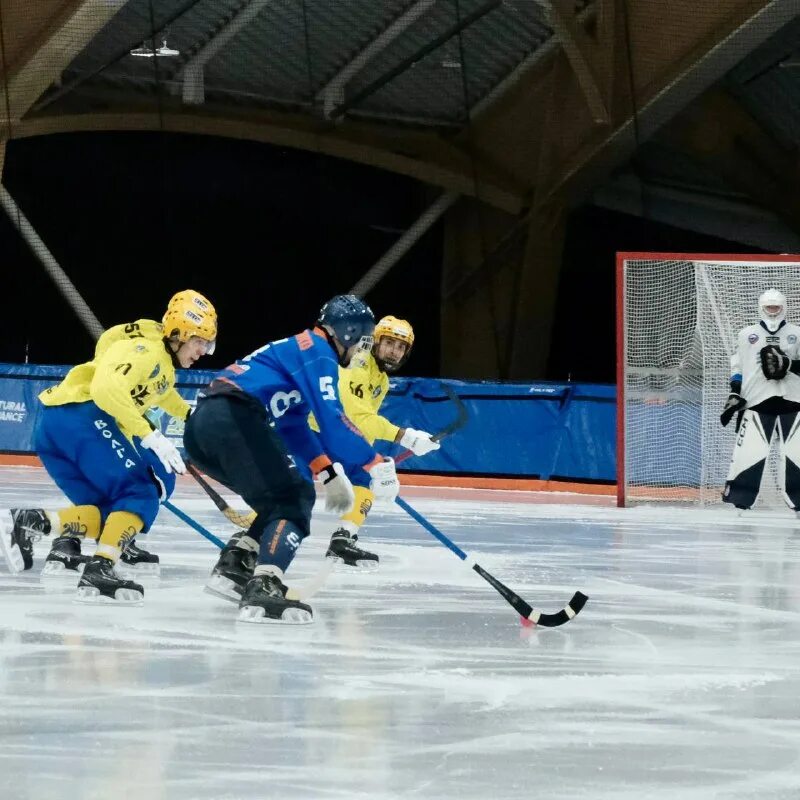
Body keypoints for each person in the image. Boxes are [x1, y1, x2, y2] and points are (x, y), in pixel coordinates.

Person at [183, 294, 400, 625]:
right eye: (362, 340)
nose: (361, 349)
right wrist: (375, 462)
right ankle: (265, 583)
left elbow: (293, 423)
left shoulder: (300, 348)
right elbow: (331, 417)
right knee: (294, 498)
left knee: (281, 497)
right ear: (348, 332)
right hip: (235, 416)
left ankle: (236, 566)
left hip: (205, 427)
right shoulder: (318, 353)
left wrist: (326, 472)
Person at [0, 290, 218, 605]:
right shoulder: (146, 350)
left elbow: (162, 390)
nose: (203, 351)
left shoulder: (159, 360)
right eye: (200, 342)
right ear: (180, 333)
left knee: (114, 512)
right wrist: (152, 436)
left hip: (54, 427)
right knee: (141, 493)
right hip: (82, 416)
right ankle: (101, 566)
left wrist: (191, 416)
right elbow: (105, 390)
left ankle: (34, 522)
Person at [311, 315, 439, 568]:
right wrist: (405, 436)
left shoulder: (381, 379)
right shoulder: (358, 363)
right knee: (293, 489)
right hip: (312, 429)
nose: (395, 351)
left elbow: (361, 426)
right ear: (376, 341)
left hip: (334, 433)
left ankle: (343, 539)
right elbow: (356, 414)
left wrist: (370, 457)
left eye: (401, 347)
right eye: (390, 343)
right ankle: (250, 537)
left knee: (363, 478)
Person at [721, 288, 800, 510]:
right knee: (749, 451)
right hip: (756, 399)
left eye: (776, 308)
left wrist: (789, 365)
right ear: (761, 307)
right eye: (769, 308)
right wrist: (735, 392)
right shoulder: (746, 334)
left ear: (784, 308)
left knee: (798, 452)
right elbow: (737, 365)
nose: (773, 312)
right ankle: (741, 496)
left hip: (793, 399)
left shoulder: (797, 333)